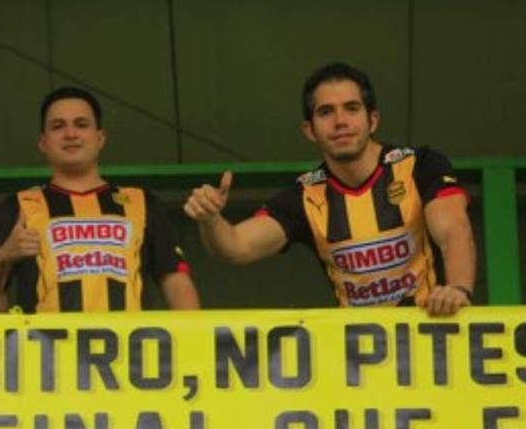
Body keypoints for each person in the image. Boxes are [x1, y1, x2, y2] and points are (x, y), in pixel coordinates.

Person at [183, 62, 476, 315]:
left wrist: (458, 289)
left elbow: (453, 230)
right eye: (325, 112)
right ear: (310, 130)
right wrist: (211, 220)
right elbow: (236, 246)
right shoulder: (304, 195)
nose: (340, 121)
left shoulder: (420, 165)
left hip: (434, 336)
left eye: (352, 108)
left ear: (372, 120)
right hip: (360, 351)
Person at [0, 86, 199, 312]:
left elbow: (177, 285)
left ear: (100, 138)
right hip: (45, 337)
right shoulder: (20, 206)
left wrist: (193, 335)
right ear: (43, 143)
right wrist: (2, 256)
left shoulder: (142, 202)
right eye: (58, 126)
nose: (71, 134)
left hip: (128, 337)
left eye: (81, 124)